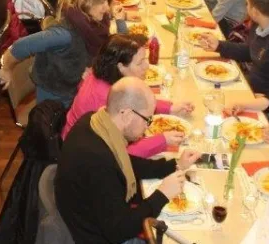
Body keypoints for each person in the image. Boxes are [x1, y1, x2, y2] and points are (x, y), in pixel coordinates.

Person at [56, 77, 202, 243]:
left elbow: (125, 161)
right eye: (147, 119)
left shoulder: (95, 122)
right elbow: (120, 230)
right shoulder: (98, 162)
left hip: (93, 217)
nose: (147, 127)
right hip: (95, 236)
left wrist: (174, 165)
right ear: (126, 114)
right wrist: (162, 194)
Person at [1, 0, 126, 106]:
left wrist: (120, 22)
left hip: (77, 88)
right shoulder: (64, 34)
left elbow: (115, 49)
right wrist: (6, 69)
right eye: (102, 1)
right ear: (86, 1)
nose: (107, 7)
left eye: (107, 1)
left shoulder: (94, 24)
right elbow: (21, 46)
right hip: (58, 98)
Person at [62, 35, 193, 157]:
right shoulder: (105, 99)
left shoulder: (105, 76)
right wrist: (163, 140)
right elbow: (123, 154)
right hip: (81, 155)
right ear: (121, 67)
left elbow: (135, 101)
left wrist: (170, 107)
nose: (147, 66)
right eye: (140, 62)